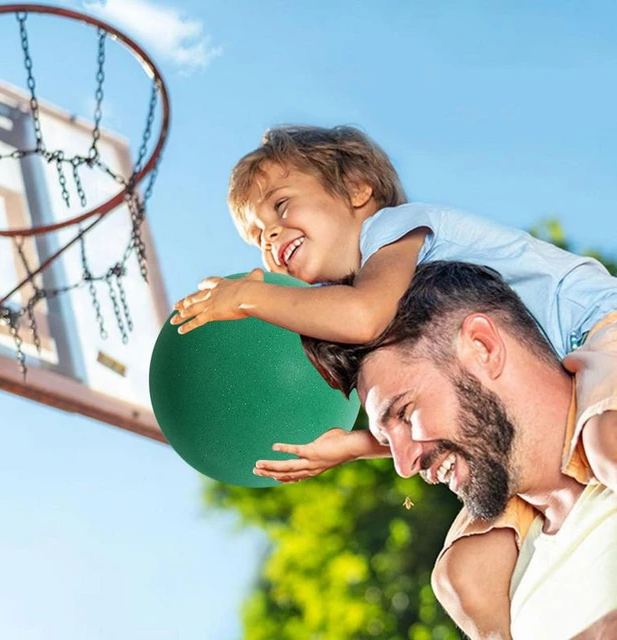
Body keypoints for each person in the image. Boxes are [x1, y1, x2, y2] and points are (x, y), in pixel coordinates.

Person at [170, 125, 617, 633]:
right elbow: (456, 413)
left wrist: (247, 299)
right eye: (256, 237)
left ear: (358, 189)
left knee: (606, 439)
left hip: (602, 327)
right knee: (462, 574)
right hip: (557, 381)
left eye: (281, 207)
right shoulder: (396, 317)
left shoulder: (395, 231)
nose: (269, 238)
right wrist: (358, 445)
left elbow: (362, 318)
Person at [299, 261, 617, 639]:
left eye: (405, 412)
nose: (403, 465)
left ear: (482, 346)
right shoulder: (507, 590)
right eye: (386, 442)